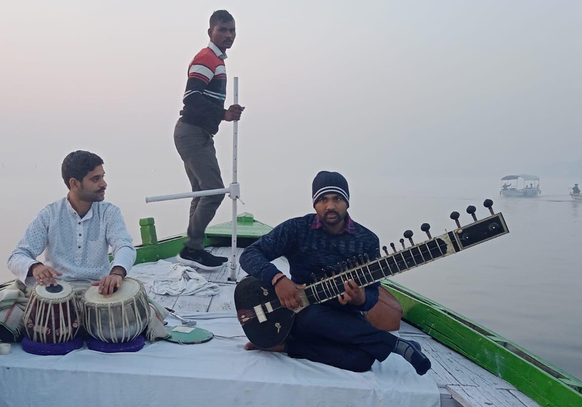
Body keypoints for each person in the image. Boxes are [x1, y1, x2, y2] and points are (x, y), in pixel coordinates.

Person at [238, 171, 432, 375]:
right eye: (323, 199)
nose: (330, 206)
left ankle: (284, 346)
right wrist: (277, 279)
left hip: (343, 317)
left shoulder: (367, 240)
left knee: (362, 361)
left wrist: (360, 298)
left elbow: (373, 294)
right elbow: (250, 254)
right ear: (315, 204)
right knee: (313, 315)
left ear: (347, 202)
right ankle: (395, 345)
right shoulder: (297, 229)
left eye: (337, 198)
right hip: (298, 314)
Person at [7, 150, 136, 297]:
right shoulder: (50, 214)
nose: (104, 184)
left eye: (103, 177)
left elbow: (124, 245)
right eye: (95, 179)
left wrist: (116, 273)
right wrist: (35, 267)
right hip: (57, 290)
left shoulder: (109, 212)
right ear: (74, 183)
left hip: (97, 289)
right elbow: (17, 256)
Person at [174, 9, 244, 270]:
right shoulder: (207, 58)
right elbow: (191, 97)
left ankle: (194, 249)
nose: (229, 35)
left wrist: (222, 116)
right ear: (210, 32)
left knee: (203, 192)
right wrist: (223, 113)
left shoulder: (218, 61)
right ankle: (192, 247)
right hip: (192, 133)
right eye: (223, 30)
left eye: (232, 30)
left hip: (194, 133)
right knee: (214, 192)